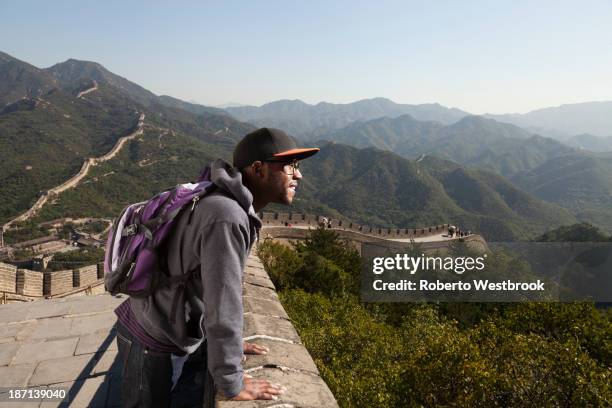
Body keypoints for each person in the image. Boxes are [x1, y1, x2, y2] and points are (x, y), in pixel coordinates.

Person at [114, 127, 319, 406]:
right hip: (151, 341)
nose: (298, 175)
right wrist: (231, 381)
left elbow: (200, 278)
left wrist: (229, 348)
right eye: (290, 166)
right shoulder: (227, 216)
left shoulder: (223, 200)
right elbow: (223, 301)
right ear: (258, 169)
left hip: (151, 324)